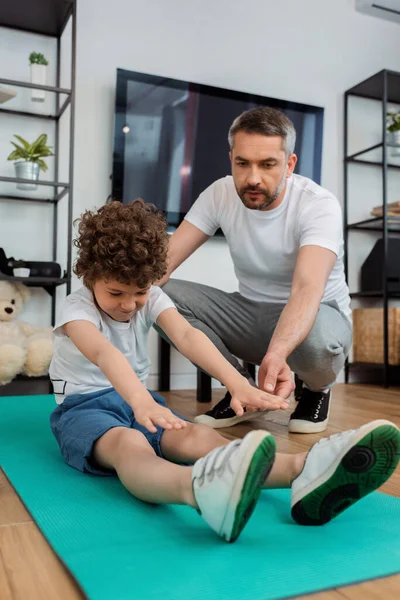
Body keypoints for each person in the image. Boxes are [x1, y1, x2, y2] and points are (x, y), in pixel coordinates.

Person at [49, 200, 399, 543]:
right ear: (90, 275)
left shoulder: (152, 296)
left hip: (141, 404)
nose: (129, 304)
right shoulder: (75, 309)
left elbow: (187, 335)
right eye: (116, 293)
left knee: (197, 436)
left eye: (139, 292)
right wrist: (140, 400)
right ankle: (199, 491)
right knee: (131, 444)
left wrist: (237, 383)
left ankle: (304, 469)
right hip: (85, 408)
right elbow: (105, 353)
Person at [159, 107, 352, 433]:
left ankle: (317, 390)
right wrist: (108, 297)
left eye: (267, 165)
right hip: (252, 314)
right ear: (231, 158)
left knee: (311, 337)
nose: (253, 178)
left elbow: (306, 289)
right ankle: (240, 387)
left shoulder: (318, 204)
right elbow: (162, 263)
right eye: (243, 163)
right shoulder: (219, 194)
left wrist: (277, 354)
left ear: (289, 164)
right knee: (155, 295)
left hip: (320, 319)